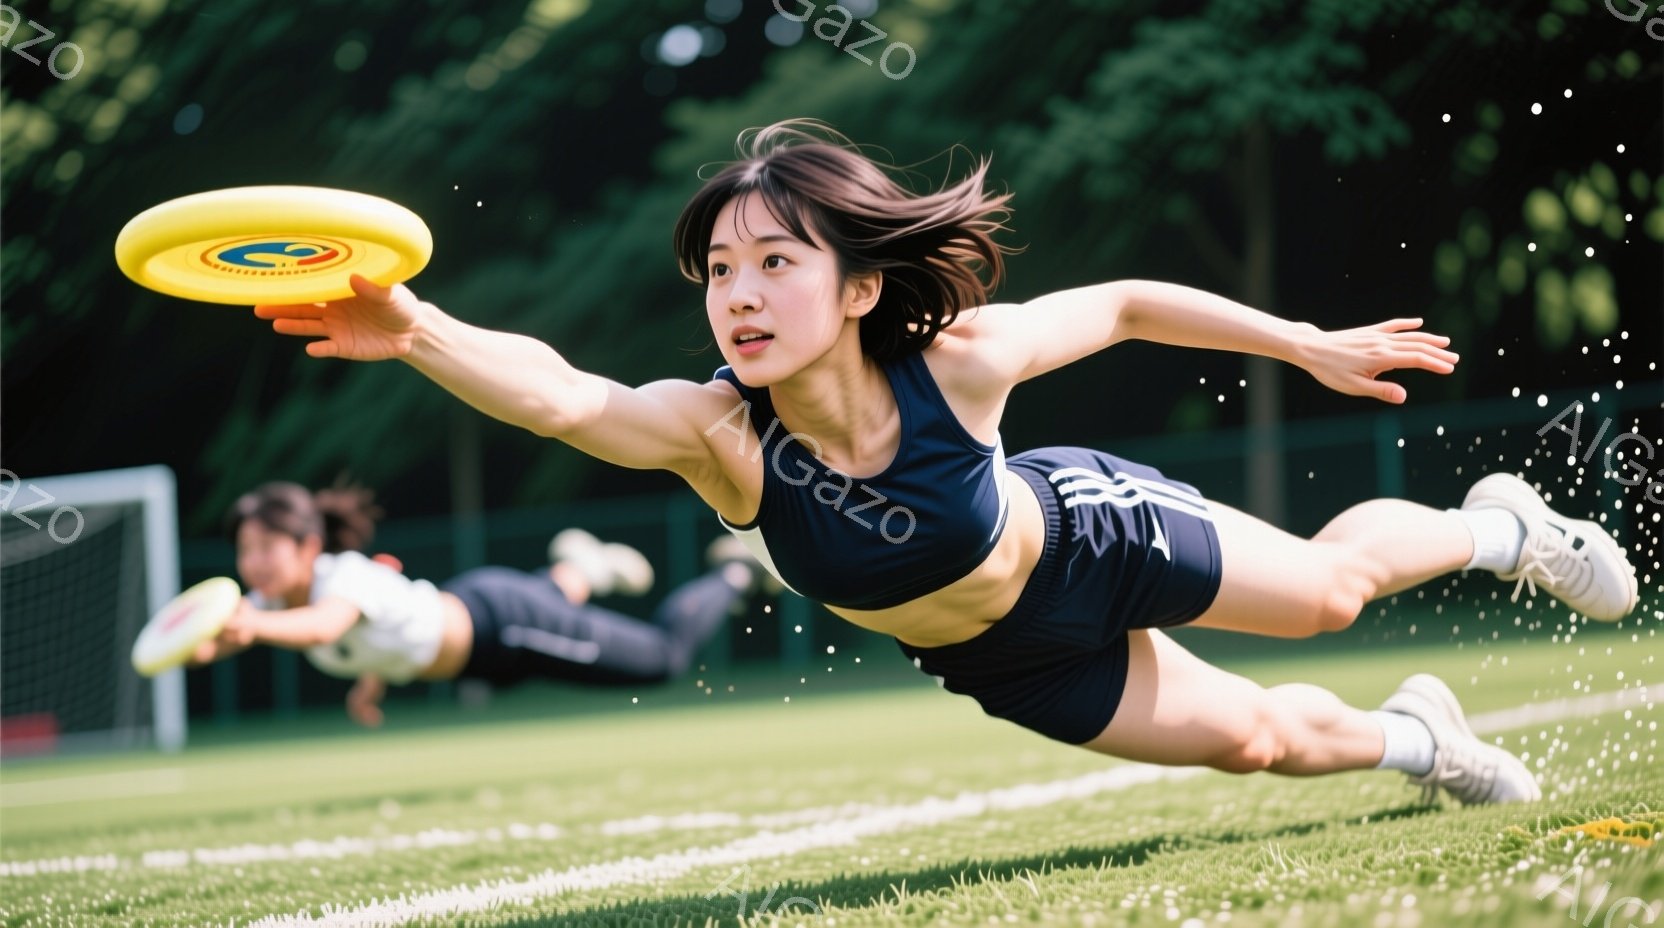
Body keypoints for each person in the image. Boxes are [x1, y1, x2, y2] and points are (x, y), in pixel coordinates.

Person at [251, 120, 1640, 803]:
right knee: (1266, 742)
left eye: (775, 265)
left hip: (1091, 534)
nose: (737, 294)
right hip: (1010, 657)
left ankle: (1503, 527)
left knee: (1332, 594)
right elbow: (561, 395)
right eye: (720, 269)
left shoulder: (955, 361)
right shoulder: (722, 438)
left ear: (857, 287)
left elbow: (1128, 306)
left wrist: (1302, 341)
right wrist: (418, 324)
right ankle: (1425, 739)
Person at [195, 481, 767, 726]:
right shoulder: (271, 605)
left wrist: (251, 627)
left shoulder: (339, 578)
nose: (255, 563)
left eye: (267, 547)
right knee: (551, 608)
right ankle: (578, 570)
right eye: (245, 550)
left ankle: (737, 571)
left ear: (308, 546)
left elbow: (324, 628)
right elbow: (233, 637)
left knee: (661, 659)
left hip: (504, 627)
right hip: (485, 631)